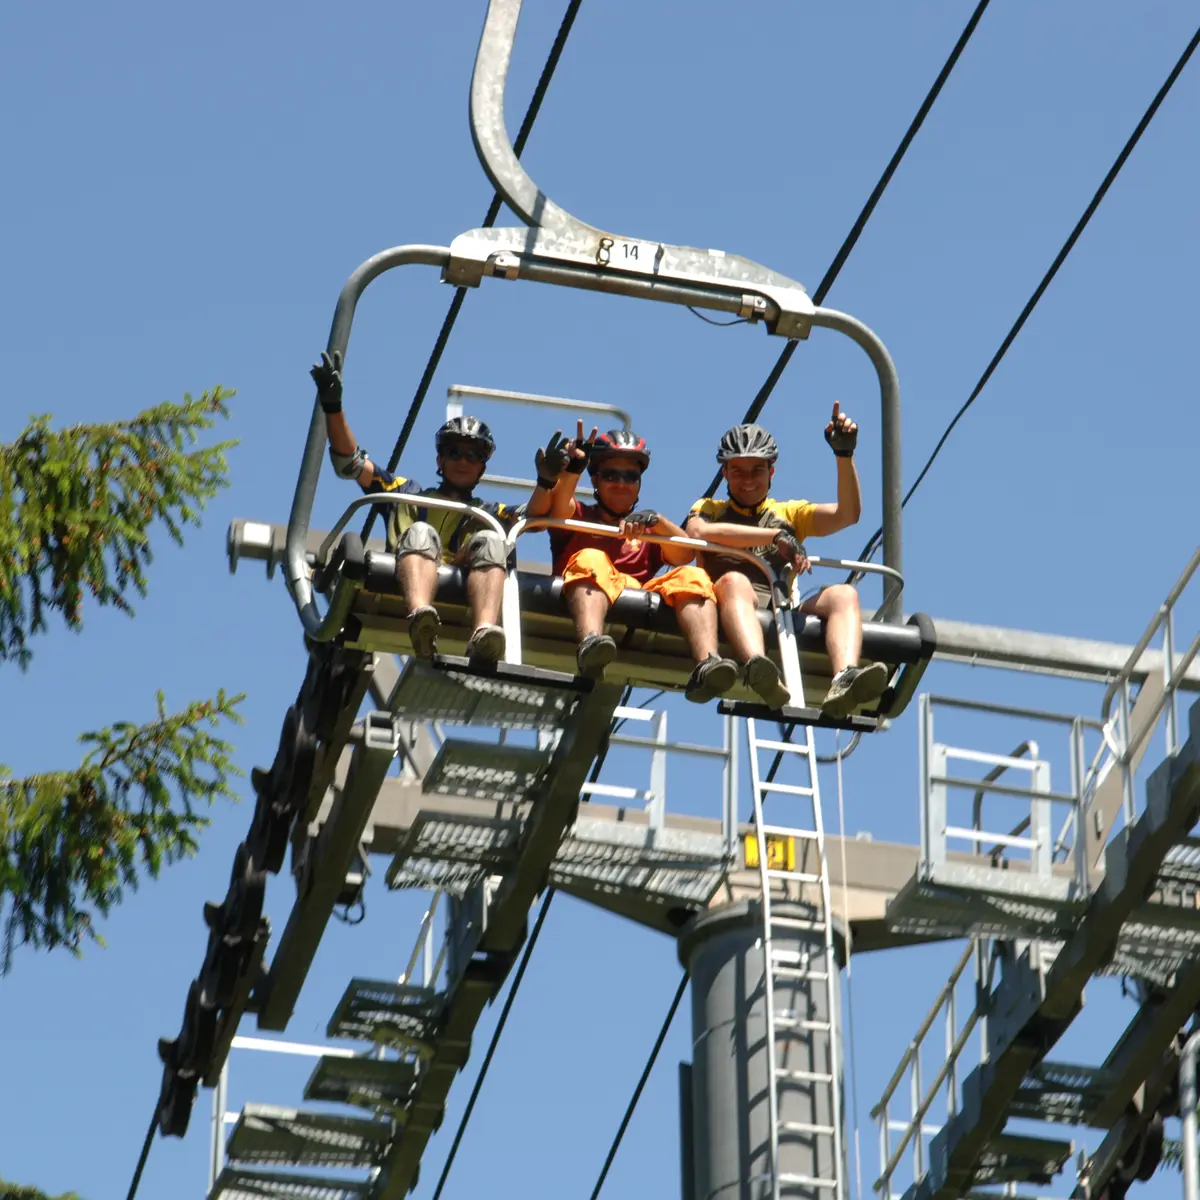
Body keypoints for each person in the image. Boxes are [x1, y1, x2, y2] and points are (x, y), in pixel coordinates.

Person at [311, 350, 518, 662]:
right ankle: (420, 615)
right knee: (420, 532)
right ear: (440, 459)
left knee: (492, 540)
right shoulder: (405, 493)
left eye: (472, 455)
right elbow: (350, 463)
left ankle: (483, 632)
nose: (463, 460)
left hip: (463, 572)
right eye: (454, 452)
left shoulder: (489, 512)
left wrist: (560, 474)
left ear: (482, 468)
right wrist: (333, 405)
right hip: (408, 571)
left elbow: (541, 514)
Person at [685, 405, 889, 716]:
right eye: (737, 471)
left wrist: (844, 456)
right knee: (735, 581)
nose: (748, 480)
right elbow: (698, 531)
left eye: (757, 471)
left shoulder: (788, 514)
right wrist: (773, 538)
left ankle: (845, 677)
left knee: (844, 594)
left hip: (781, 608)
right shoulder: (710, 508)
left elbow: (847, 515)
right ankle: (758, 667)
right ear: (725, 473)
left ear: (772, 472)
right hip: (730, 601)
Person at [527, 422, 740, 702]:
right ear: (595, 480)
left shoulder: (646, 530)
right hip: (584, 591)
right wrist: (571, 472)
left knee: (694, 577)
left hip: (635, 590)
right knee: (592, 558)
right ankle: (591, 644)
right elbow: (557, 511)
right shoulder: (578, 515)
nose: (621, 484)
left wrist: (658, 521)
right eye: (611, 475)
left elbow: (684, 553)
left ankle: (707, 664)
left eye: (630, 476)